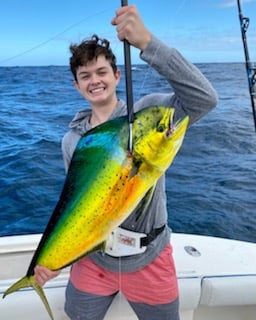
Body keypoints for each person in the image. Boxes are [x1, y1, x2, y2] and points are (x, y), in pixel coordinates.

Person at [34, 5, 218, 320]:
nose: (95, 81)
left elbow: (204, 99)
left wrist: (147, 42)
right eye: (85, 76)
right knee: (77, 315)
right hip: (95, 260)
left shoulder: (147, 113)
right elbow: (75, 207)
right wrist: (55, 259)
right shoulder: (73, 141)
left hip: (150, 257)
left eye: (102, 71)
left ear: (117, 75)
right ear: (76, 85)